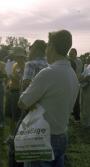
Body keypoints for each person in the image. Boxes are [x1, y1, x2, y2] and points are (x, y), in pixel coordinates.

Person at [18, 30, 79, 167]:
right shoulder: (72, 74)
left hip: (42, 137)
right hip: (62, 134)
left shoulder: (48, 73)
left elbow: (22, 103)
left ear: (51, 47)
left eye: (47, 46)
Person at [7, 47, 26, 132]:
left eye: (16, 56)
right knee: (11, 115)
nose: (14, 57)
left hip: (18, 92)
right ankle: (13, 134)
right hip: (12, 91)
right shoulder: (15, 65)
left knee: (16, 116)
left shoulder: (25, 66)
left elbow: (22, 81)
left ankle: (15, 135)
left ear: (21, 57)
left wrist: (13, 78)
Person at [69, 48, 82, 121]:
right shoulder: (69, 61)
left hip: (76, 82)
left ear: (75, 54)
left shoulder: (78, 61)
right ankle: (73, 112)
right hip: (70, 82)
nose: (70, 55)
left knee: (76, 99)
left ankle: (77, 117)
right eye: (70, 54)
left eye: (72, 54)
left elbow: (78, 71)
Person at [79, 57, 90, 127]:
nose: (86, 60)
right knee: (82, 104)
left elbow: (88, 77)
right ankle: (84, 122)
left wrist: (82, 80)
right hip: (84, 87)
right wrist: (81, 79)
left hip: (88, 88)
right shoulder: (87, 66)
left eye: (88, 59)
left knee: (87, 105)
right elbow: (82, 75)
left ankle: (87, 124)